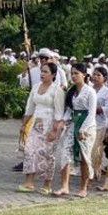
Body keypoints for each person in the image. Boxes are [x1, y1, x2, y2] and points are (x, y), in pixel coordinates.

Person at [16, 62, 65, 194]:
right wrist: (23, 124)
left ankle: (47, 184)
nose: (42, 74)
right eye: (41, 71)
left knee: (47, 154)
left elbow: (59, 113)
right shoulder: (36, 87)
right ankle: (29, 182)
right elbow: (30, 107)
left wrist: (54, 131)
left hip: (50, 124)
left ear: (53, 74)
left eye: (46, 72)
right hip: (35, 123)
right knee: (29, 151)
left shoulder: (57, 90)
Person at [56, 63, 96, 197]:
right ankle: (64, 186)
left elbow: (91, 113)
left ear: (84, 75)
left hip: (86, 127)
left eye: (76, 73)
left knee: (84, 155)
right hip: (73, 124)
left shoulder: (90, 91)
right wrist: (63, 121)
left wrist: (84, 129)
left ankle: (83, 188)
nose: (73, 76)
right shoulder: (71, 92)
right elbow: (69, 110)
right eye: (72, 73)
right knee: (65, 153)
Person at [90, 66, 108, 180]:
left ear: (105, 78)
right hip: (88, 123)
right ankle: (92, 170)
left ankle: (95, 172)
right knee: (88, 149)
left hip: (101, 124)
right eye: (94, 74)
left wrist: (100, 109)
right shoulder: (88, 89)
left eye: (98, 75)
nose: (95, 77)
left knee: (96, 150)